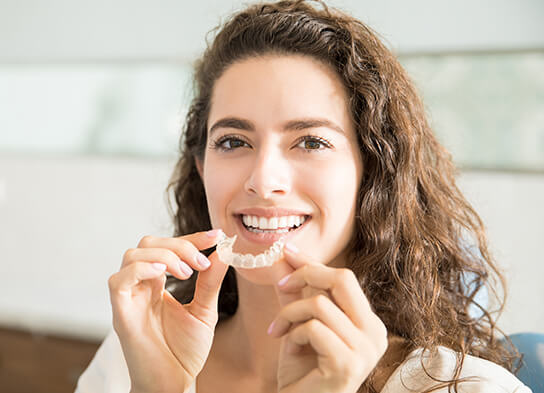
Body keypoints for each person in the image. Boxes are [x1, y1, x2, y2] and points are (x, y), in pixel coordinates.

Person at [76, 1, 532, 392]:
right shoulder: (131, 358)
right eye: (233, 141)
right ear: (202, 168)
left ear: (372, 172)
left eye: (311, 141)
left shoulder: (468, 387)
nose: (263, 179)